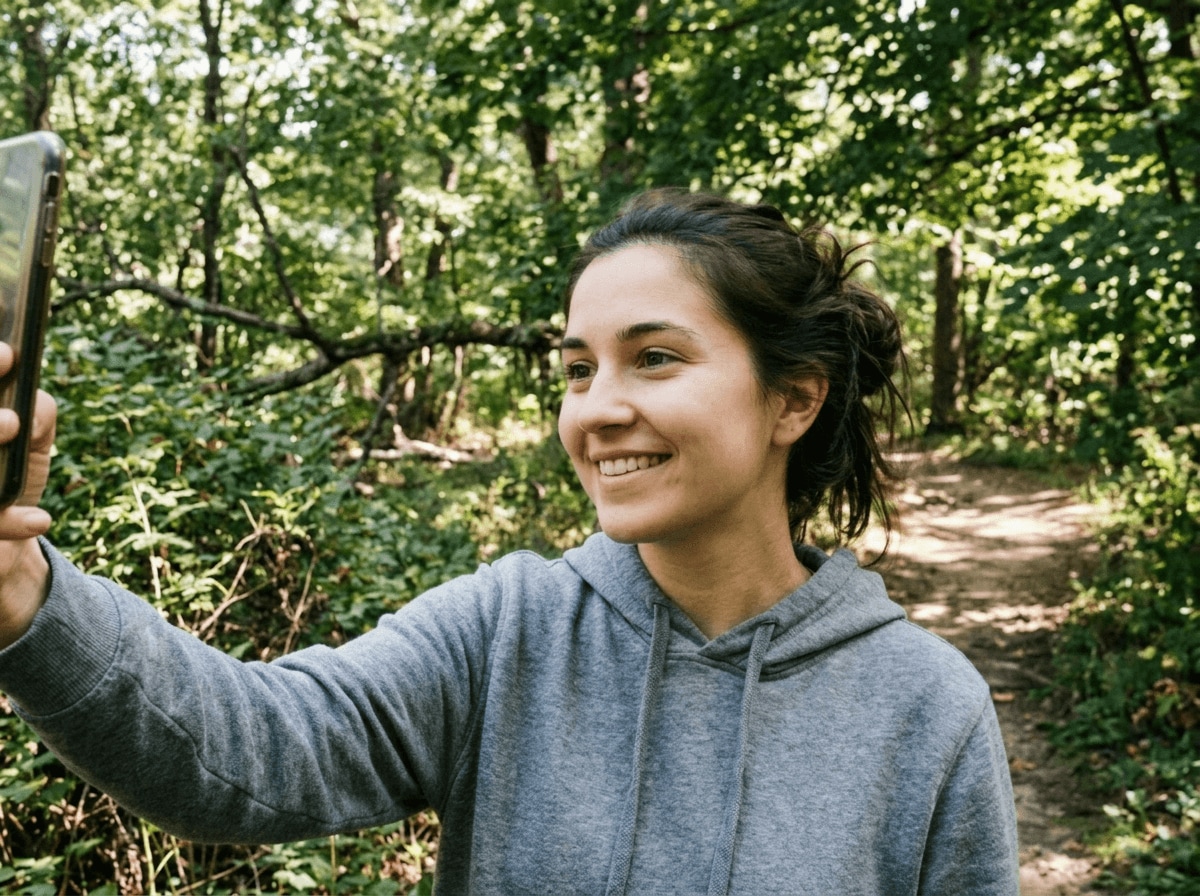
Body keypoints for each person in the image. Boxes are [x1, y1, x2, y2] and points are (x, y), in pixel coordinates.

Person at [0, 189, 1018, 895]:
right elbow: (246, 750)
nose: (598, 408)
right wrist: (25, 592)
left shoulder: (926, 708)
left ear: (793, 397)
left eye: (654, 358)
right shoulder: (506, 632)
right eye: (578, 370)